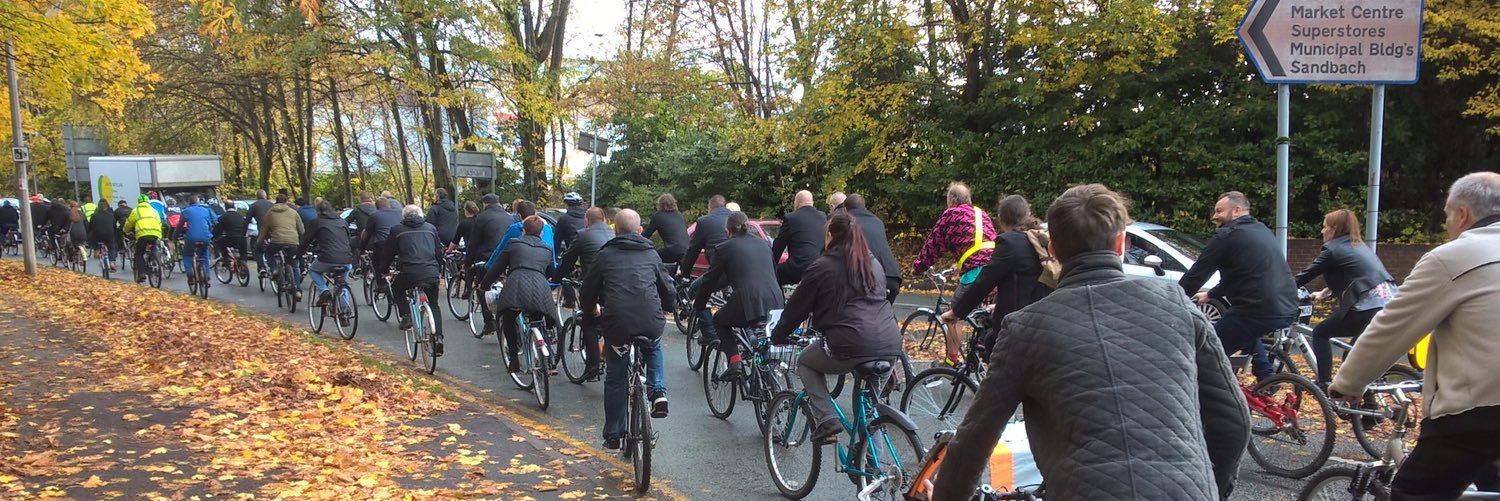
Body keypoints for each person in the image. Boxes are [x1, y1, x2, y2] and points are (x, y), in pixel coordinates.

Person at [932, 183, 1250, 500]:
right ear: (1121, 242)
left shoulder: (1024, 328)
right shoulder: (1176, 304)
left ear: (1053, 250)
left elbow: (974, 440)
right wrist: (1212, 490)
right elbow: (1233, 420)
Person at [1328, 172, 1500, 499]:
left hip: (1478, 410)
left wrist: (1349, 384)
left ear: (1462, 214)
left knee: (1413, 492)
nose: (1449, 225)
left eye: (1448, 216)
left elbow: (1393, 326)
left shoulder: (1452, 257)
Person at [769, 212, 904, 442]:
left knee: (806, 363)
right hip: (890, 344)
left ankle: (826, 418)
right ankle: (874, 469)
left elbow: (795, 309)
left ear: (830, 236)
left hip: (849, 343)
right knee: (870, 410)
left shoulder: (821, 266)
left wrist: (778, 335)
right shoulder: (873, 263)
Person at [1178, 191, 1298, 382]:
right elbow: (1244, 273)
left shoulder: (1226, 235)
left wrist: (1174, 298)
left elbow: (1197, 274)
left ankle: (1218, 400)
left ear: (1237, 211)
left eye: (1219, 211)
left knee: (1205, 353)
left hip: (1255, 311)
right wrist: (1210, 295)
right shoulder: (1261, 229)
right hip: (1287, 306)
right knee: (1245, 329)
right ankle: (1266, 378)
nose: (1214, 216)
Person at [579, 208, 674, 449]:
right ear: (640, 231)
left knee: (615, 377)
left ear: (615, 230)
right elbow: (667, 288)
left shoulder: (605, 255)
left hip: (617, 324)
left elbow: (588, 291)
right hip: (649, 319)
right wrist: (667, 307)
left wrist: (591, 310)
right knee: (653, 346)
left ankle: (613, 433)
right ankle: (658, 392)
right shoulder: (651, 254)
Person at [1293, 208, 1397, 388]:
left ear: (1334, 229)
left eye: (1324, 227)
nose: (1322, 231)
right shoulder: (1358, 246)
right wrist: (1324, 293)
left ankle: (1324, 383)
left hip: (1368, 308)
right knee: (1355, 358)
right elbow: (1358, 276)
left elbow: (1303, 277)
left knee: (1321, 333)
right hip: (1390, 304)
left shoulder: (1332, 250)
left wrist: (1274, 289)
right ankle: (1369, 411)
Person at [941, 195, 1052, 351]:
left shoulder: (1010, 242)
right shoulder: (1042, 239)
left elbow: (985, 281)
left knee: (991, 348)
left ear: (1001, 219)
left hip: (1018, 326)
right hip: (1047, 320)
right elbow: (1026, 280)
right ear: (1028, 213)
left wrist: (956, 312)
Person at [912, 182, 996, 366]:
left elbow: (933, 246)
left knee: (955, 314)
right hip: (996, 267)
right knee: (985, 314)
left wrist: (918, 268)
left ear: (952, 200)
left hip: (976, 271)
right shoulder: (981, 213)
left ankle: (951, 361)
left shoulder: (952, 214)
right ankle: (978, 354)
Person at [694, 211, 785, 378]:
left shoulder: (725, 248)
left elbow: (709, 280)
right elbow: (773, 271)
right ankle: (764, 372)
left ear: (727, 231)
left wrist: (699, 305)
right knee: (760, 334)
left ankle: (735, 361)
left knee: (720, 321)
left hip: (747, 299)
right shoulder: (764, 244)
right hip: (775, 297)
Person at [480, 215, 559, 372]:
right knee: (539, 319)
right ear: (541, 233)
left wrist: (484, 285)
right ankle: (550, 359)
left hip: (516, 286)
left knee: (507, 318)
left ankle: (514, 360)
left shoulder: (513, 244)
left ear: (523, 231)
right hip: (540, 289)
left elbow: (497, 267)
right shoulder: (547, 249)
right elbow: (552, 272)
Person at [554, 207, 612, 378]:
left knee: (588, 321)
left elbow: (567, 260)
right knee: (610, 318)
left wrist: (556, 278)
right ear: (605, 220)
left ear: (586, 221)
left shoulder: (583, 235)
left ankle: (592, 365)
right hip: (615, 284)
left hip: (595, 284)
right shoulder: (613, 233)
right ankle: (609, 353)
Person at [468, 194, 515, 335]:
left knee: (482, 286)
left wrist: (467, 262)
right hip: (508, 257)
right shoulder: (509, 217)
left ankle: (489, 322)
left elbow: (473, 243)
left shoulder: (481, 218)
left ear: (484, 204)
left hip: (488, 258)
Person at [844, 194, 903, 304]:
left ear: (845, 210)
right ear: (865, 207)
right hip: (892, 275)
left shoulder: (848, 222)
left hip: (868, 275)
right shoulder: (877, 221)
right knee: (883, 313)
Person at [302, 200, 355, 310]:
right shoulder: (342, 221)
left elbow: (306, 241)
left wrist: (298, 254)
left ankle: (324, 291)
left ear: (318, 211)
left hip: (327, 258)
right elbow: (348, 240)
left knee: (313, 270)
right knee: (342, 283)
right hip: (346, 259)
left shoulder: (316, 222)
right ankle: (345, 311)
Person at [770, 190, 827, 286]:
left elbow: (779, 246)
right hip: (820, 266)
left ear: (797, 203)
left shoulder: (791, 218)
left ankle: (780, 300)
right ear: (812, 203)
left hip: (799, 267)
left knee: (773, 275)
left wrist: (771, 264)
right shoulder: (823, 217)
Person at [258, 193, 306, 299]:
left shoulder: (270, 213)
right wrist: (302, 243)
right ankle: (297, 290)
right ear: (286, 201)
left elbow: (264, 229)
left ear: (276, 201)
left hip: (276, 241)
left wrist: (259, 242)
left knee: (268, 253)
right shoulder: (294, 212)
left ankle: (274, 269)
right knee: (294, 265)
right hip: (293, 242)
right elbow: (301, 229)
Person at [484, 200, 555, 271]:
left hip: (521, 269)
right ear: (535, 213)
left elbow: (500, 250)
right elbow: (552, 250)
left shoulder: (515, 228)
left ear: (519, 215)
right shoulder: (547, 228)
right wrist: (554, 268)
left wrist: (487, 266)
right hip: (544, 269)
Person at [677, 195, 732, 278]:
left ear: (710, 207)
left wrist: (684, 272)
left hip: (718, 268)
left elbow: (693, 250)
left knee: (696, 289)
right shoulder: (736, 218)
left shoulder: (704, 221)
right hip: (739, 266)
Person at [177, 195, 220, 286]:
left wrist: (174, 236)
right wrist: (210, 234)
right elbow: (210, 224)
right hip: (205, 237)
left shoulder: (186, 211)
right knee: (204, 255)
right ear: (198, 202)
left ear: (190, 203)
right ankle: (207, 275)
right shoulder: (205, 210)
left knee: (187, 254)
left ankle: (190, 273)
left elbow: (179, 226)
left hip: (192, 238)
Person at [124, 195, 164, 282]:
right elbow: (159, 222)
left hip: (143, 234)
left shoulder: (136, 210)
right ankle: (154, 261)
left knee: (139, 254)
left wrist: (125, 230)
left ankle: (141, 273)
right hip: (155, 233)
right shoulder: (154, 210)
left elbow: (129, 223)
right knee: (153, 249)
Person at [642, 193, 689, 265]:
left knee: (649, 256)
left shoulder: (658, 216)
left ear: (660, 205)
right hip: (686, 251)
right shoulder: (679, 215)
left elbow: (646, 235)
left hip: (672, 251)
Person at [212, 201, 248, 267]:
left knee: (220, 242)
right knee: (243, 252)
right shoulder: (240, 216)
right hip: (241, 238)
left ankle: (226, 258)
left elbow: (219, 229)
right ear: (234, 206)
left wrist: (216, 236)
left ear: (225, 207)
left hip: (231, 238)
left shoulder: (224, 216)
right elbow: (245, 226)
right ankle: (244, 264)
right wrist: (244, 234)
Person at [246, 190, 274, 273]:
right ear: (266, 196)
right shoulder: (272, 205)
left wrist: (244, 233)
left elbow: (247, 221)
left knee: (258, 249)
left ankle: (261, 267)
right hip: (274, 231)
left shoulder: (254, 206)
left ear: (257, 197)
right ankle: (275, 268)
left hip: (262, 232)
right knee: (273, 250)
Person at [87, 199, 118, 271]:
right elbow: (114, 226)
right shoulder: (110, 215)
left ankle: (97, 250)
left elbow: (90, 227)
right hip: (109, 234)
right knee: (111, 247)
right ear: (106, 207)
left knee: (94, 238)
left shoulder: (93, 216)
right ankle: (112, 263)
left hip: (98, 235)